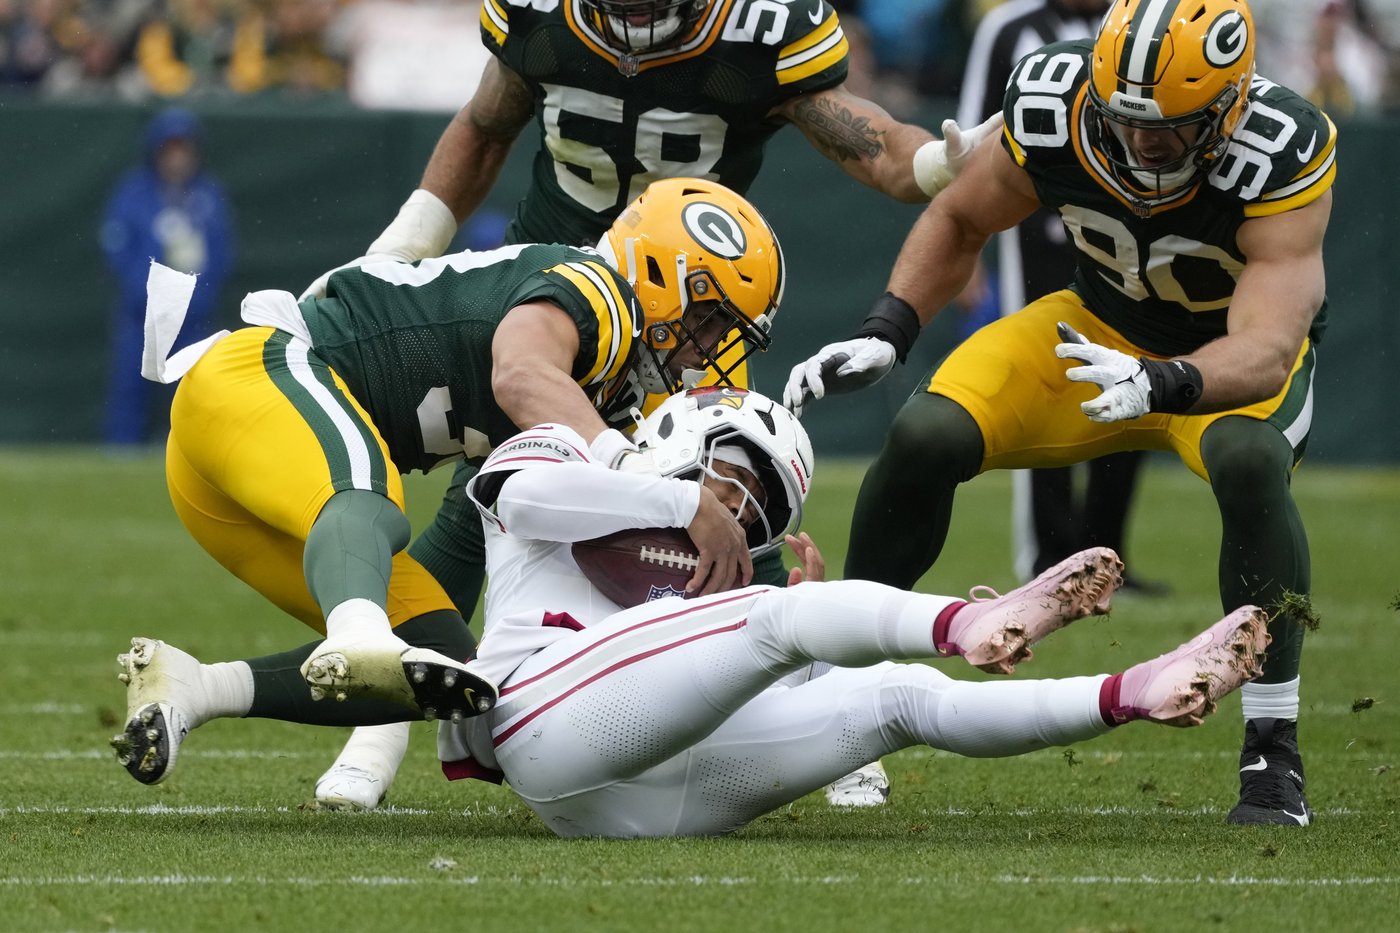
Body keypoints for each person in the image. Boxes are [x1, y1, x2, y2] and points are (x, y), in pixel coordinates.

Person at [304, 0, 1003, 810]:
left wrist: (934, 164)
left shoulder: (755, 28)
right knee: (483, 500)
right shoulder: (546, 19)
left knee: (732, 506)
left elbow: (868, 139)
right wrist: (400, 247)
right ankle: (378, 729)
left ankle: (828, 699)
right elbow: (485, 125)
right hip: (561, 292)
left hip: (690, 307)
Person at [112, 385, 1272, 837]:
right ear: (675, 437)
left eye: (757, 505)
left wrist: (771, 586)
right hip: (546, 726)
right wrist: (688, 498)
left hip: (654, 803)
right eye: (732, 476)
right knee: (777, 626)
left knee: (893, 699)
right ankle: (967, 622)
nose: (737, 511)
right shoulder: (564, 452)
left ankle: (1130, 691)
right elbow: (513, 495)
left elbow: (728, 665)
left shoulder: (716, 568)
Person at [784, 0, 1331, 827]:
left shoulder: (1281, 148)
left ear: (1229, 109)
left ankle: (1272, 749)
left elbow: (1268, 343)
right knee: (927, 434)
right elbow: (961, 215)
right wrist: (888, 330)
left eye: (1168, 128)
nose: (1141, 141)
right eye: (1124, 119)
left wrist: (1165, 380)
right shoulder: (1057, 99)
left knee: (1253, 464)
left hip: (1220, 355)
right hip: (1094, 328)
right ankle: (846, 696)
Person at [111, 178, 785, 785]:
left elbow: (497, 534)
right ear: (662, 273)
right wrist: (648, 481)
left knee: (446, 668)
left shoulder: (604, 395)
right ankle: (358, 630)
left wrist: (768, 600)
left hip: (223, 486)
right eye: (708, 319)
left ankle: (197, 688)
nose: (705, 348)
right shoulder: (597, 294)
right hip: (258, 374)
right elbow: (518, 373)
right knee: (369, 497)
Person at [957, 0, 1168, 593]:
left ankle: (1107, 553)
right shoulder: (1010, 27)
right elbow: (972, 137)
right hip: (1037, 241)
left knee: (1131, 380)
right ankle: (1048, 557)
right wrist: (968, 251)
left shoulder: (1140, 27)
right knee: (1041, 389)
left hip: (1126, 240)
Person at [99, 106, 234, 446]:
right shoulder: (134, 192)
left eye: (183, 149)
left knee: (191, 390)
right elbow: (116, 245)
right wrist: (146, 292)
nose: (177, 158)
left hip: (193, 315)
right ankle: (122, 449)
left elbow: (221, 252)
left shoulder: (208, 195)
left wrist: (198, 296)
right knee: (130, 384)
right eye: (169, 149)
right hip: (141, 314)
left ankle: (188, 454)